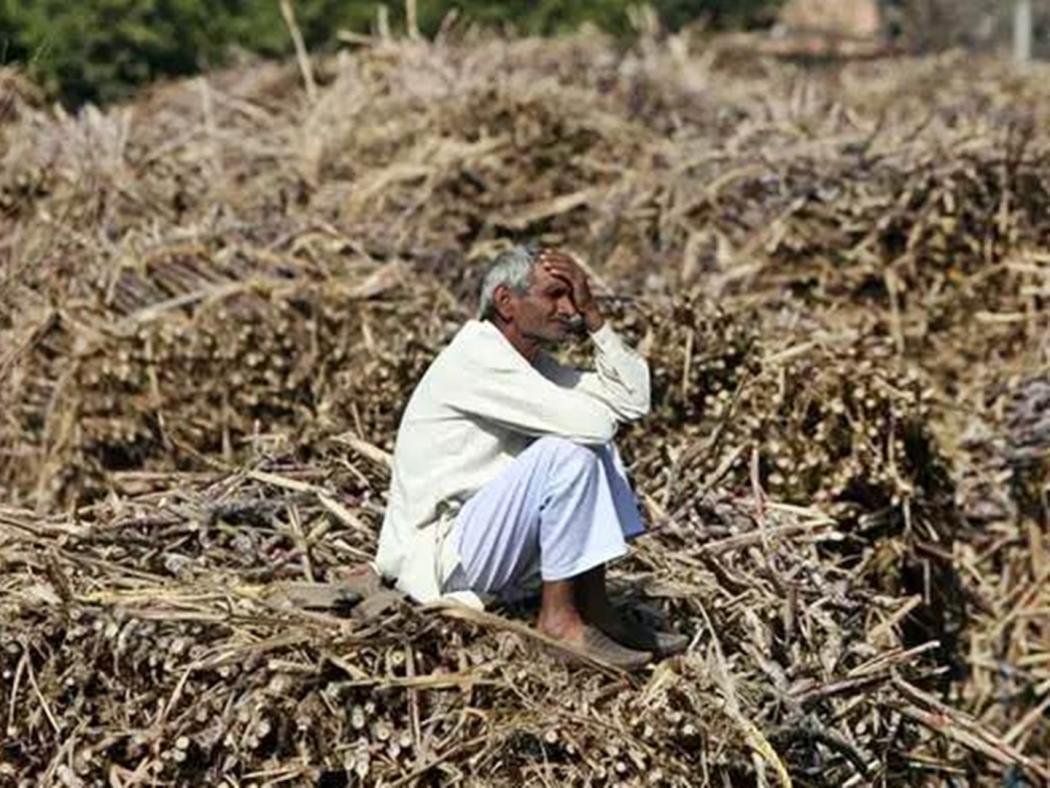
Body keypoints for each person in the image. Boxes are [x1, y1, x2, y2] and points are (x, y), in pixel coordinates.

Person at [373, 245, 686, 667]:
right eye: (554, 295)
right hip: (441, 557)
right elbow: (597, 424)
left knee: (590, 444)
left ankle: (594, 608)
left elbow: (631, 402)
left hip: (484, 542)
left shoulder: (532, 365)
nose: (568, 308)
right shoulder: (478, 358)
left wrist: (595, 315)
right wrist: (594, 416)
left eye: (572, 296)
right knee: (569, 451)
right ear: (506, 302)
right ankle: (557, 624)